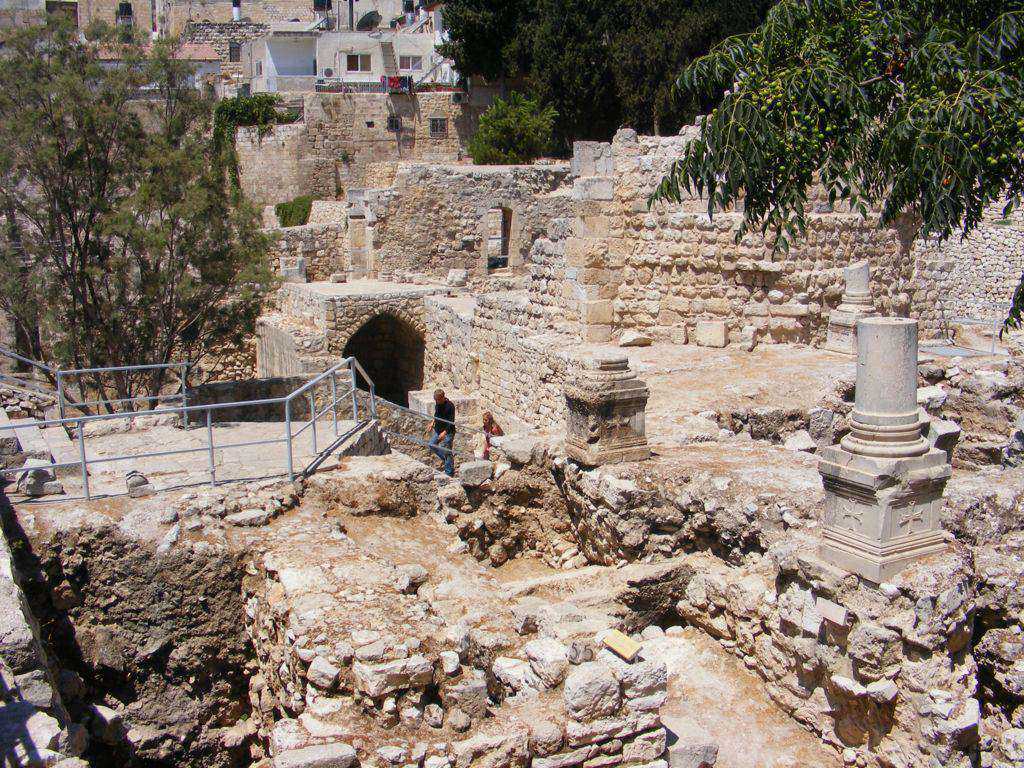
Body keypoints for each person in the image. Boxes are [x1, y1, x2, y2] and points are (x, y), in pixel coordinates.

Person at [427, 388, 456, 476]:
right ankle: (448, 461)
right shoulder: (438, 403)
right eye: (436, 400)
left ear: (442, 397)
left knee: (446, 449)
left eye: (438, 400)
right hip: (438, 429)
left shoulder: (450, 406)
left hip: (448, 431)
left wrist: (445, 432)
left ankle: (449, 472)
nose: (437, 402)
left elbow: (451, 421)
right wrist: (432, 422)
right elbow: (437, 414)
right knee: (432, 444)